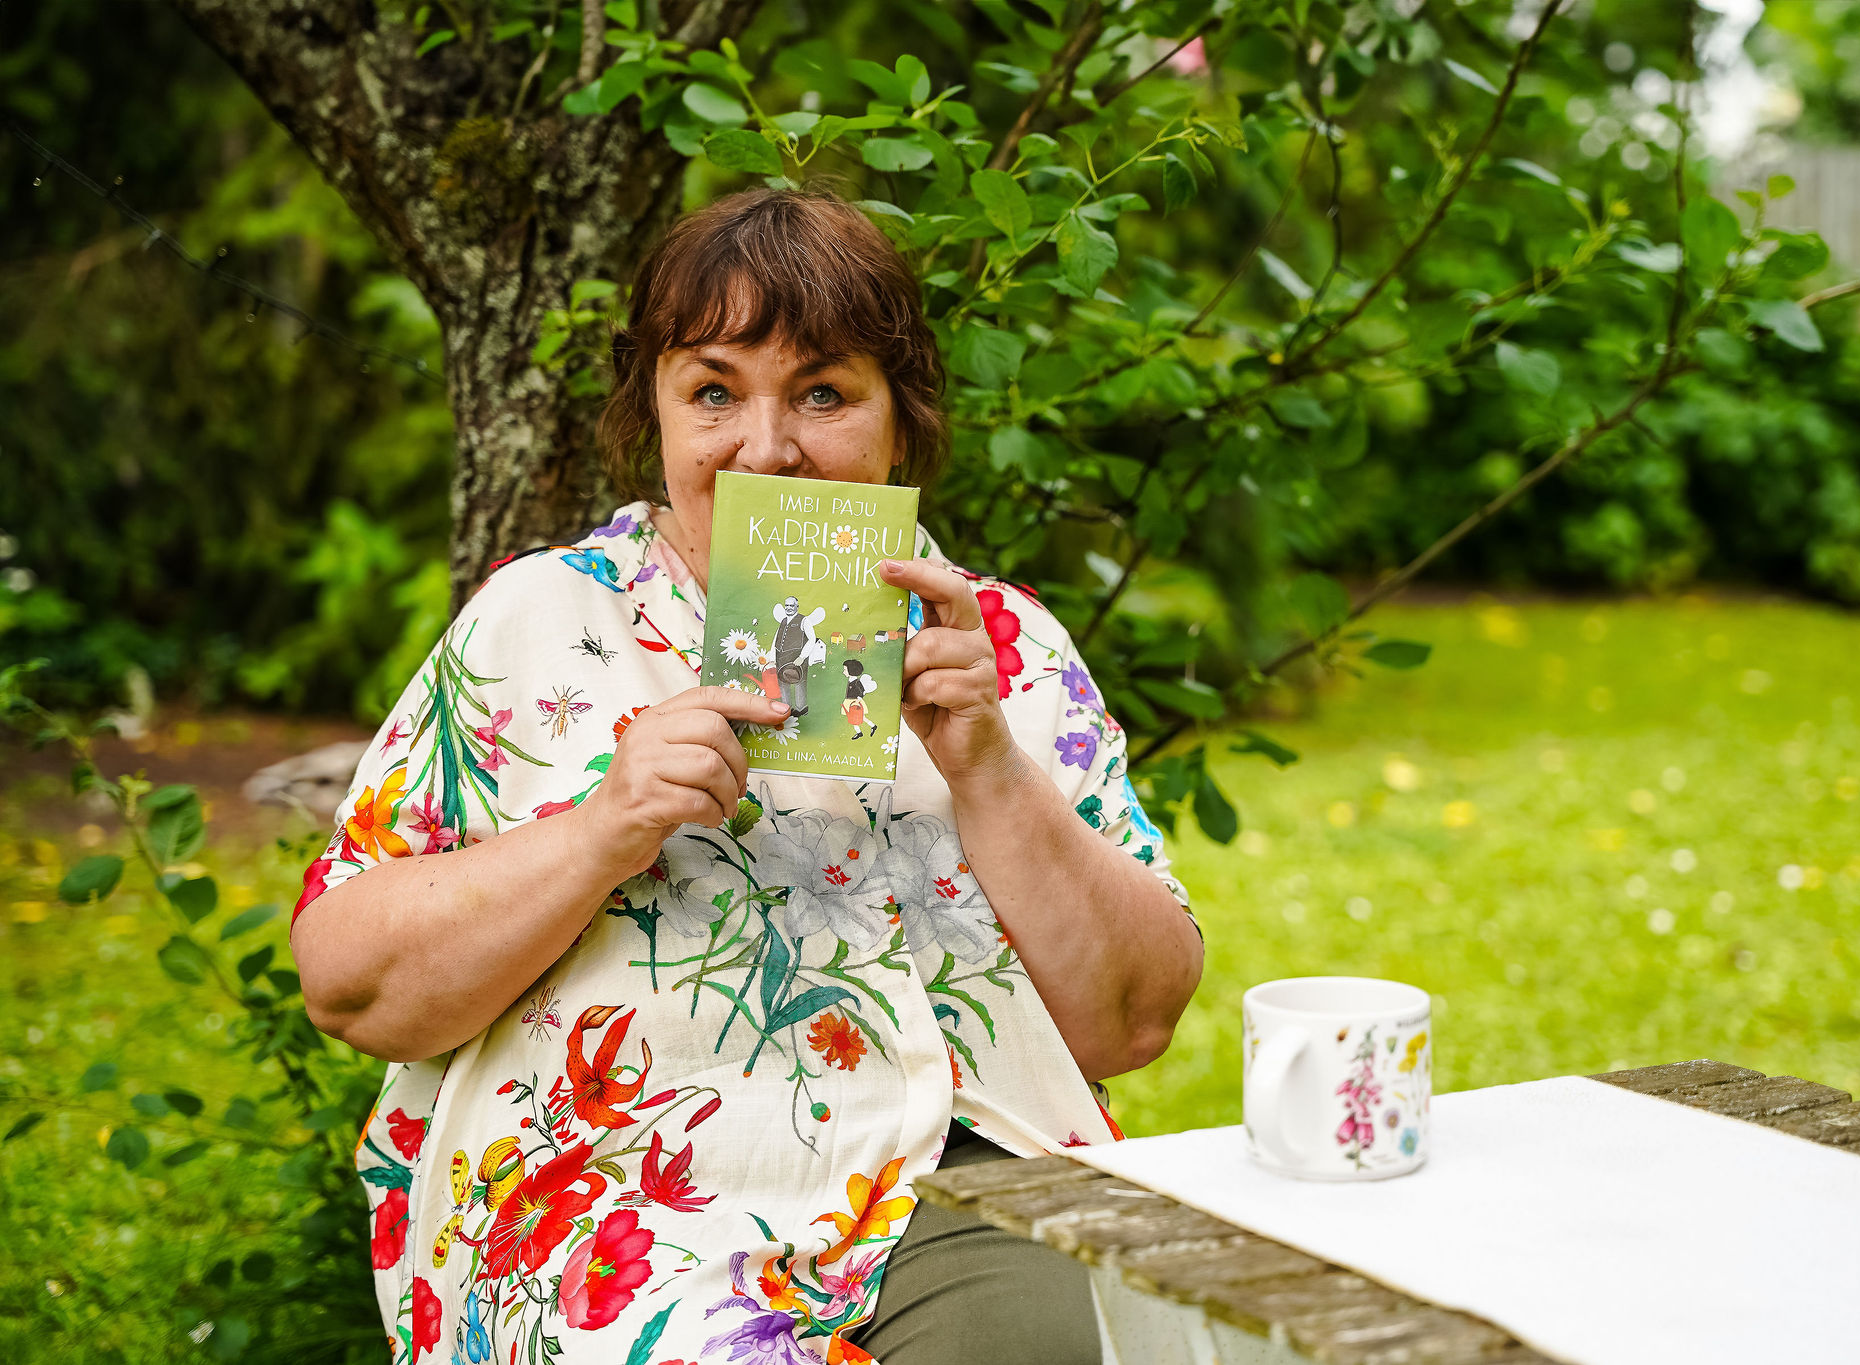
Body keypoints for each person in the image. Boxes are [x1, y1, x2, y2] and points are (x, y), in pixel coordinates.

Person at [290, 185, 1204, 1365]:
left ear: (899, 420)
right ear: (657, 414)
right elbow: (349, 990)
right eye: (714, 391)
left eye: (823, 392)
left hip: (949, 1184)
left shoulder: (999, 646)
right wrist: (600, 830)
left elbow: (1134, 1017)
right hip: (608, 1207)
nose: (766, 448)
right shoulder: (542, 618)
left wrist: (988, 771)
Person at [842, 658, 878, 738]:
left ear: (851, 671)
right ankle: (872, 726)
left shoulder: (856, 683)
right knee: (861, 717)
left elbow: (861, 693)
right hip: (850, 701)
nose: (843, 672)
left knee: (854, 719)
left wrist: (857, 701)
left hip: (854, 702)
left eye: (845, 670)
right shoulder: (851, 680)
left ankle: (859, 732)